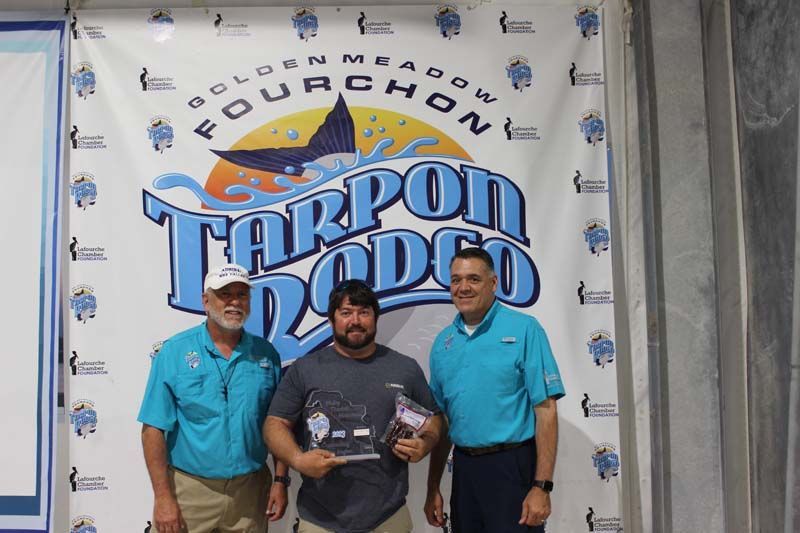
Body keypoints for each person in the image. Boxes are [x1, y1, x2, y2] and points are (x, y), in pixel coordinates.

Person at [265, 280, 443, 532]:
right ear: (331, 319)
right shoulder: (305, 369)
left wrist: (425, 443)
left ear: (376, 318)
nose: (355, 321)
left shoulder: (405, 368)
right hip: (320, 520)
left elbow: (435, 419)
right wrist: (298, 460)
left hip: (388, 517)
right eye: (346, 313)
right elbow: (275, 424)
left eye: (364, 312)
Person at [138, 264, 288, 533]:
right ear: (206, 301)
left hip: (250, 492)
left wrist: (280, 480)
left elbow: (279, 424)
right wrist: (163, 498)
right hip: (190, 492)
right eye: (225, 294)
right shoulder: (174, 352)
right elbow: (153, 429)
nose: (234, 302)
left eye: (242, 295)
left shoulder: (266, 354)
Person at [425, 247, 566, 532]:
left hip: (512, 468)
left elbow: (546, 410)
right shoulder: (443, 343)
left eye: (474, 279)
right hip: (463, 470)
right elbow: (442, 421)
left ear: (493, 283)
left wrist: (542, 486)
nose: (463, 287)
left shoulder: (525, 329)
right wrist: (433, 488)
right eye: (456, 280)